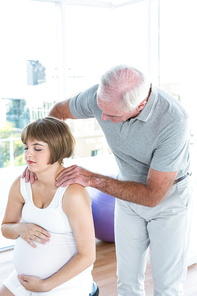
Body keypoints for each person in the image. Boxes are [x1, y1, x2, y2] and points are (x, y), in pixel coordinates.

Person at [24, 65, 192, 296]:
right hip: (125, 193)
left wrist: (91, 179)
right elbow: (58, 112)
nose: (102, 117)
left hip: (167, 200)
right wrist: (45, 160)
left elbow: (152, 196)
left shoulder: (173, 120)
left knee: (167, 285)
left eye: (111, 115)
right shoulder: (100, 97)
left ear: (139, 106)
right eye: (100, 109)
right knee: (127, 280)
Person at [0, 117, 99, 296]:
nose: (28, 154)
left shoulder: (72, 193)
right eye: (26, 147)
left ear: (57, 148)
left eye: (37, 148)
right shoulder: (21, 184)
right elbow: (5, 228)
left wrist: (46, 285)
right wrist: (20, 228)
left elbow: (88, 255)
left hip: (64, 283)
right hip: (23, 278)